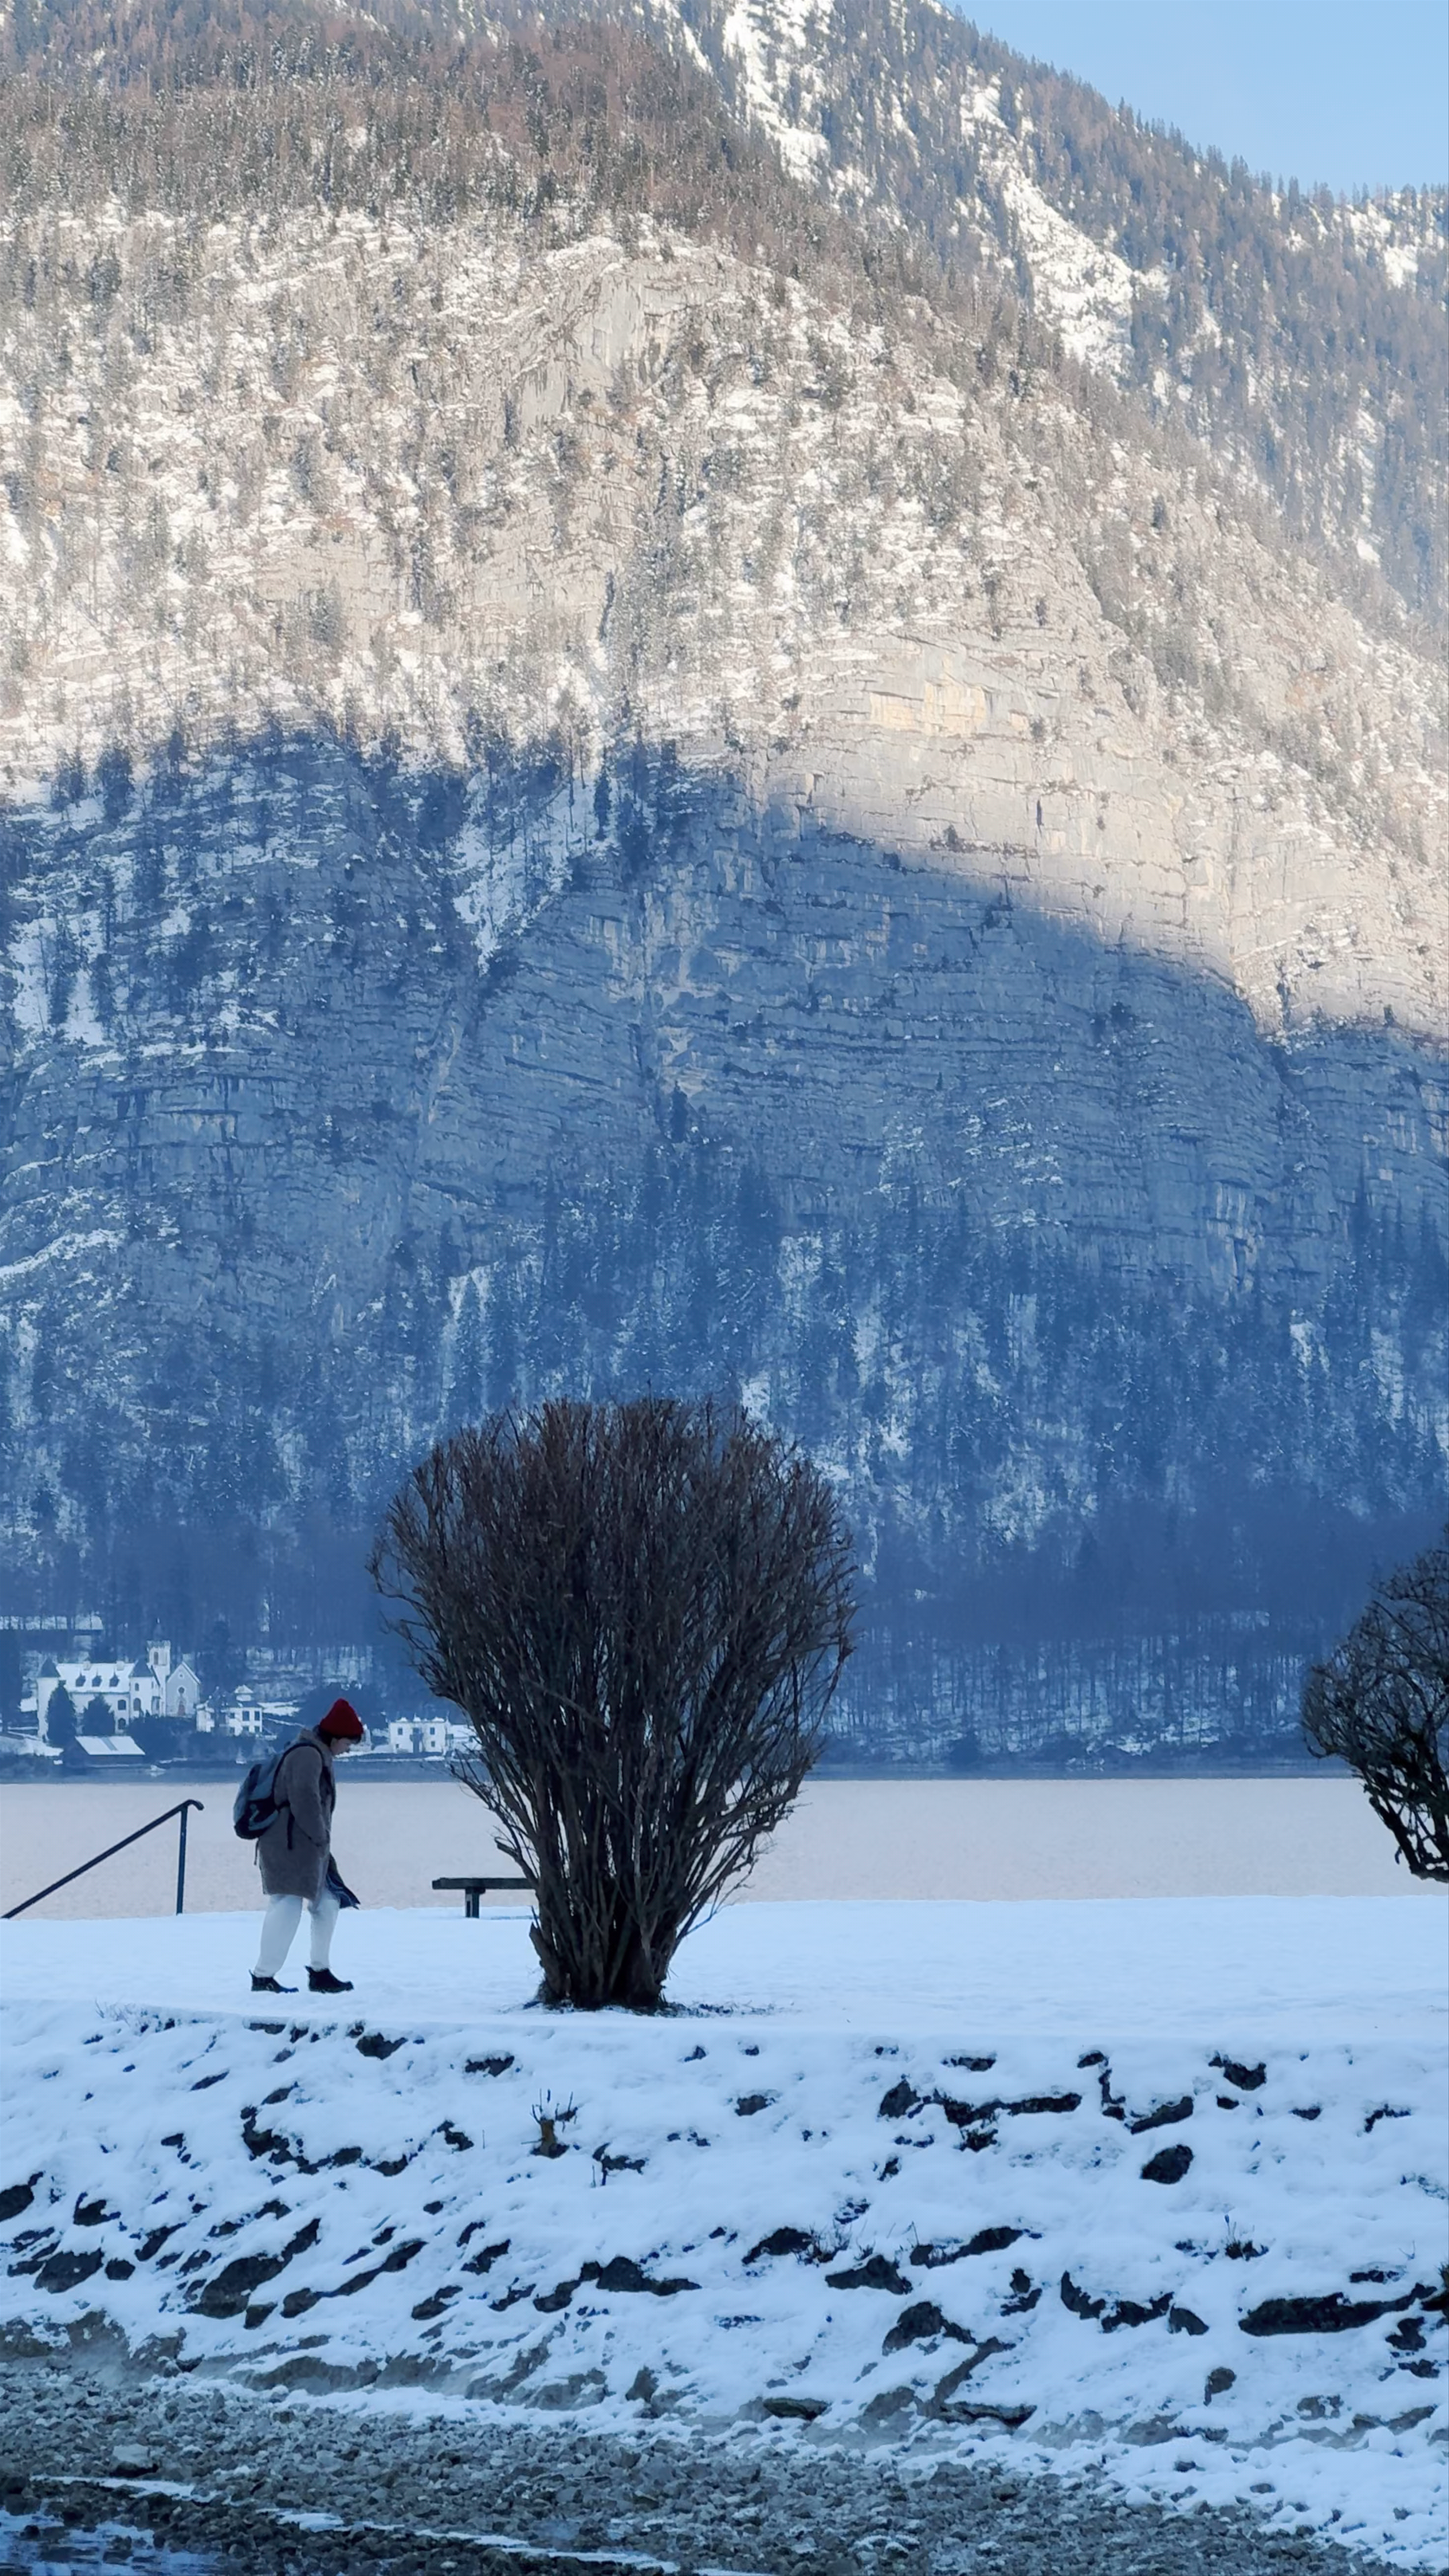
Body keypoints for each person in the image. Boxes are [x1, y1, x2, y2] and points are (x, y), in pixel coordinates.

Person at [251, 1698, 364, 1994]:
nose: (348, 1750)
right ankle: (263, 1977)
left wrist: (320, 1842)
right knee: (287, 1905)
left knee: (328, 1902)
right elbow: (305, 1800)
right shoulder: (309, 1756)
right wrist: (321, 1836)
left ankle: (320, 1971)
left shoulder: (316, 1753)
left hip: (307, 1847)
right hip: (290, 1845)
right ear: (337, 1737)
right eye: (349, 1743)